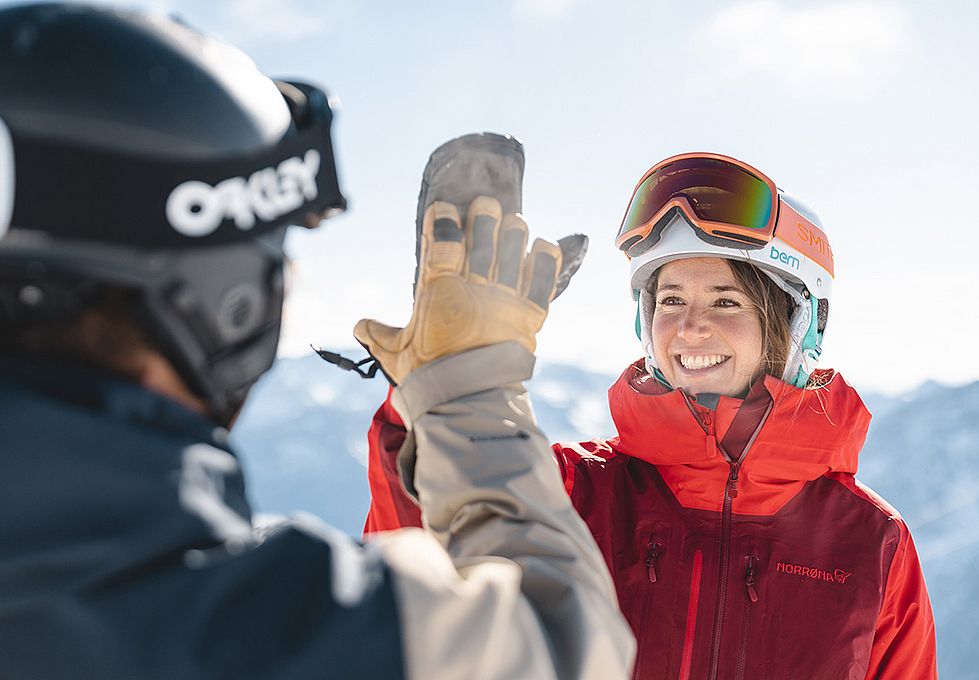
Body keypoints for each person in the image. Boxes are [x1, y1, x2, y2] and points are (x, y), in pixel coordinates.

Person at [0, 4, 635, 678]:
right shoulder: (259, 629)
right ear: (229, 305)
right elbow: (564, 638)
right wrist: (468, 391)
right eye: (274, 254)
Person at [365, 153, 939, 678]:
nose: (690, 327)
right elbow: (417, 580)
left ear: (797, 324)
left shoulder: (872, 544)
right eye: (670, 300)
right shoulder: (570, 492)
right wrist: (438, 399)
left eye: (725, 300)